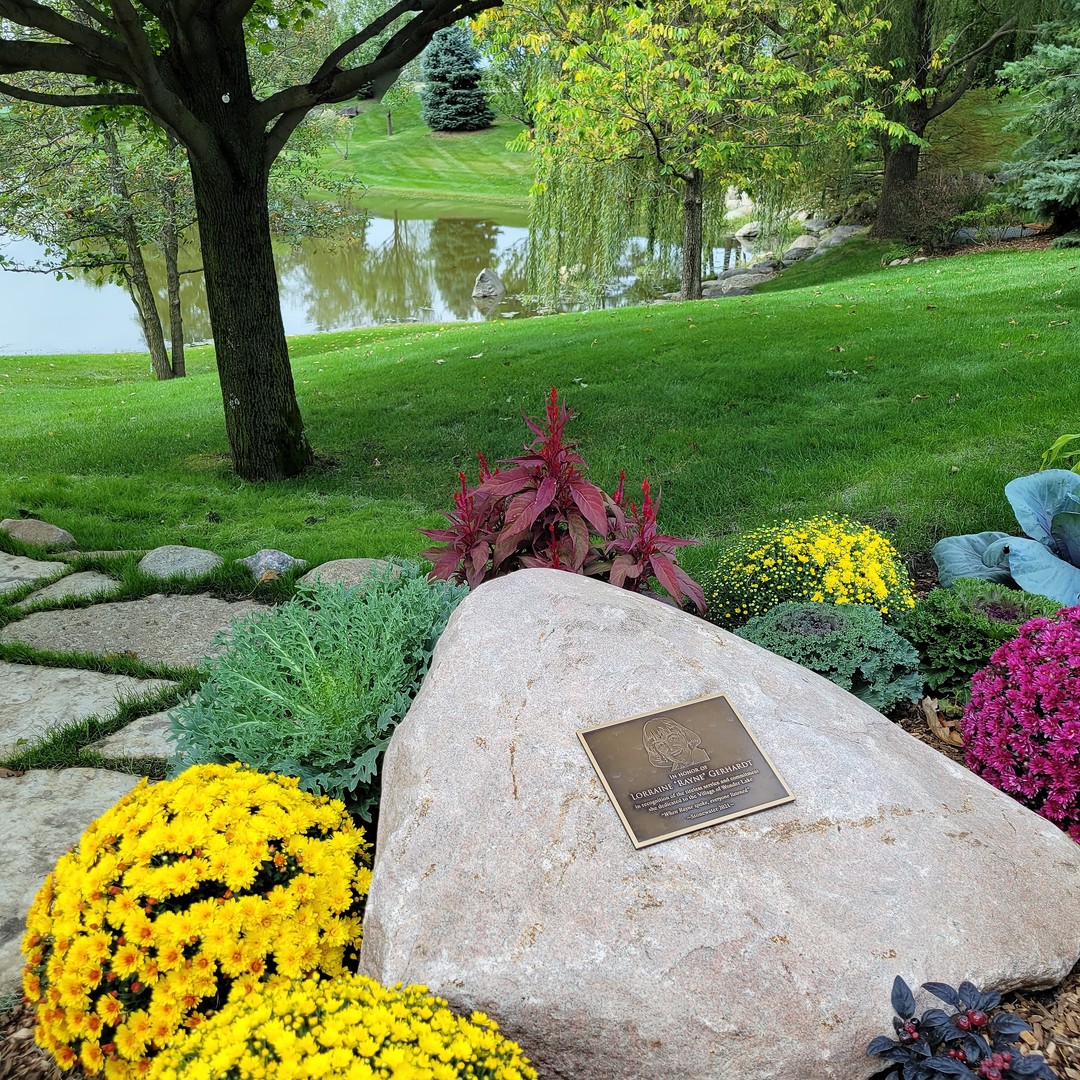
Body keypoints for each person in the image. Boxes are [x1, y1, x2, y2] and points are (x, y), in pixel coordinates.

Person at [642, 716, 710, 773]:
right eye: (661, 745)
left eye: (672, 738)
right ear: (658, 752)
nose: (671, 748)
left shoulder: (705, 757)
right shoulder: (675, 769)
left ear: (683, 735)